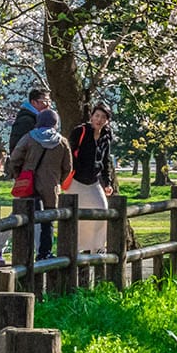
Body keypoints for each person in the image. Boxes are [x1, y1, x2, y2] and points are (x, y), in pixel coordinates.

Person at [5, 109, 74, 260]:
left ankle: (25, 252)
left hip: (29, 184)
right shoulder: (62, 142)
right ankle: (45, 253)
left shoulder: (29, 137)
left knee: (26, 218)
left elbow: (15, 159)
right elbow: (67, 167)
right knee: (47, 221)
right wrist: (57, 181)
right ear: (55, 123)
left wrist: (19, 175)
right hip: (51, 187)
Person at [69, 104, 118, 255]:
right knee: (76, 216)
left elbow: (106, 161)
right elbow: (69, 154)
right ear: (91, 117)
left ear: (107, 121)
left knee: (103, 211)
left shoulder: (106, 136)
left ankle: (97, 247)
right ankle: (75, 248)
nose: (99, 119)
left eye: (103, 117)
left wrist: (107, 182)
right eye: (97, 116)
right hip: (76, 179)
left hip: (93, 180)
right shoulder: (80, 132)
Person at [6, 86, 52, 164]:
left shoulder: (40, 119)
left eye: (49, 101)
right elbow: (19, 147)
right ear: (33, 102)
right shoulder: (26, 121)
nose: (48, 105)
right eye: (45, 101)